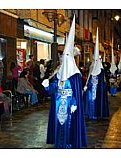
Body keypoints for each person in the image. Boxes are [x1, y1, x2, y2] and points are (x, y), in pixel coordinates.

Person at [43, 15, 87, 148]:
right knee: (59, 125)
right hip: (58, 105)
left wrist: (74, 103)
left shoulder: (75, 75)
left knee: (70, 125)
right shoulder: (58, 74)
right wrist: (47, 87)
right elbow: (54, 89)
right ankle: (59, 143)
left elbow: (77, 92)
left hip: (70, 105)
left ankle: (70, 143)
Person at [83, 28, 109, 120]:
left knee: (97, 101)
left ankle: (97, 114)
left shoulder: (101, 71)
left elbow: (103, 82)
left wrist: (103, 88)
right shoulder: (91, 68)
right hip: (90, 89)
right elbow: (89, 77)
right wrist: (86, 85)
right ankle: (89, 114)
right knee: (89, 100)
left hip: (98, 90)